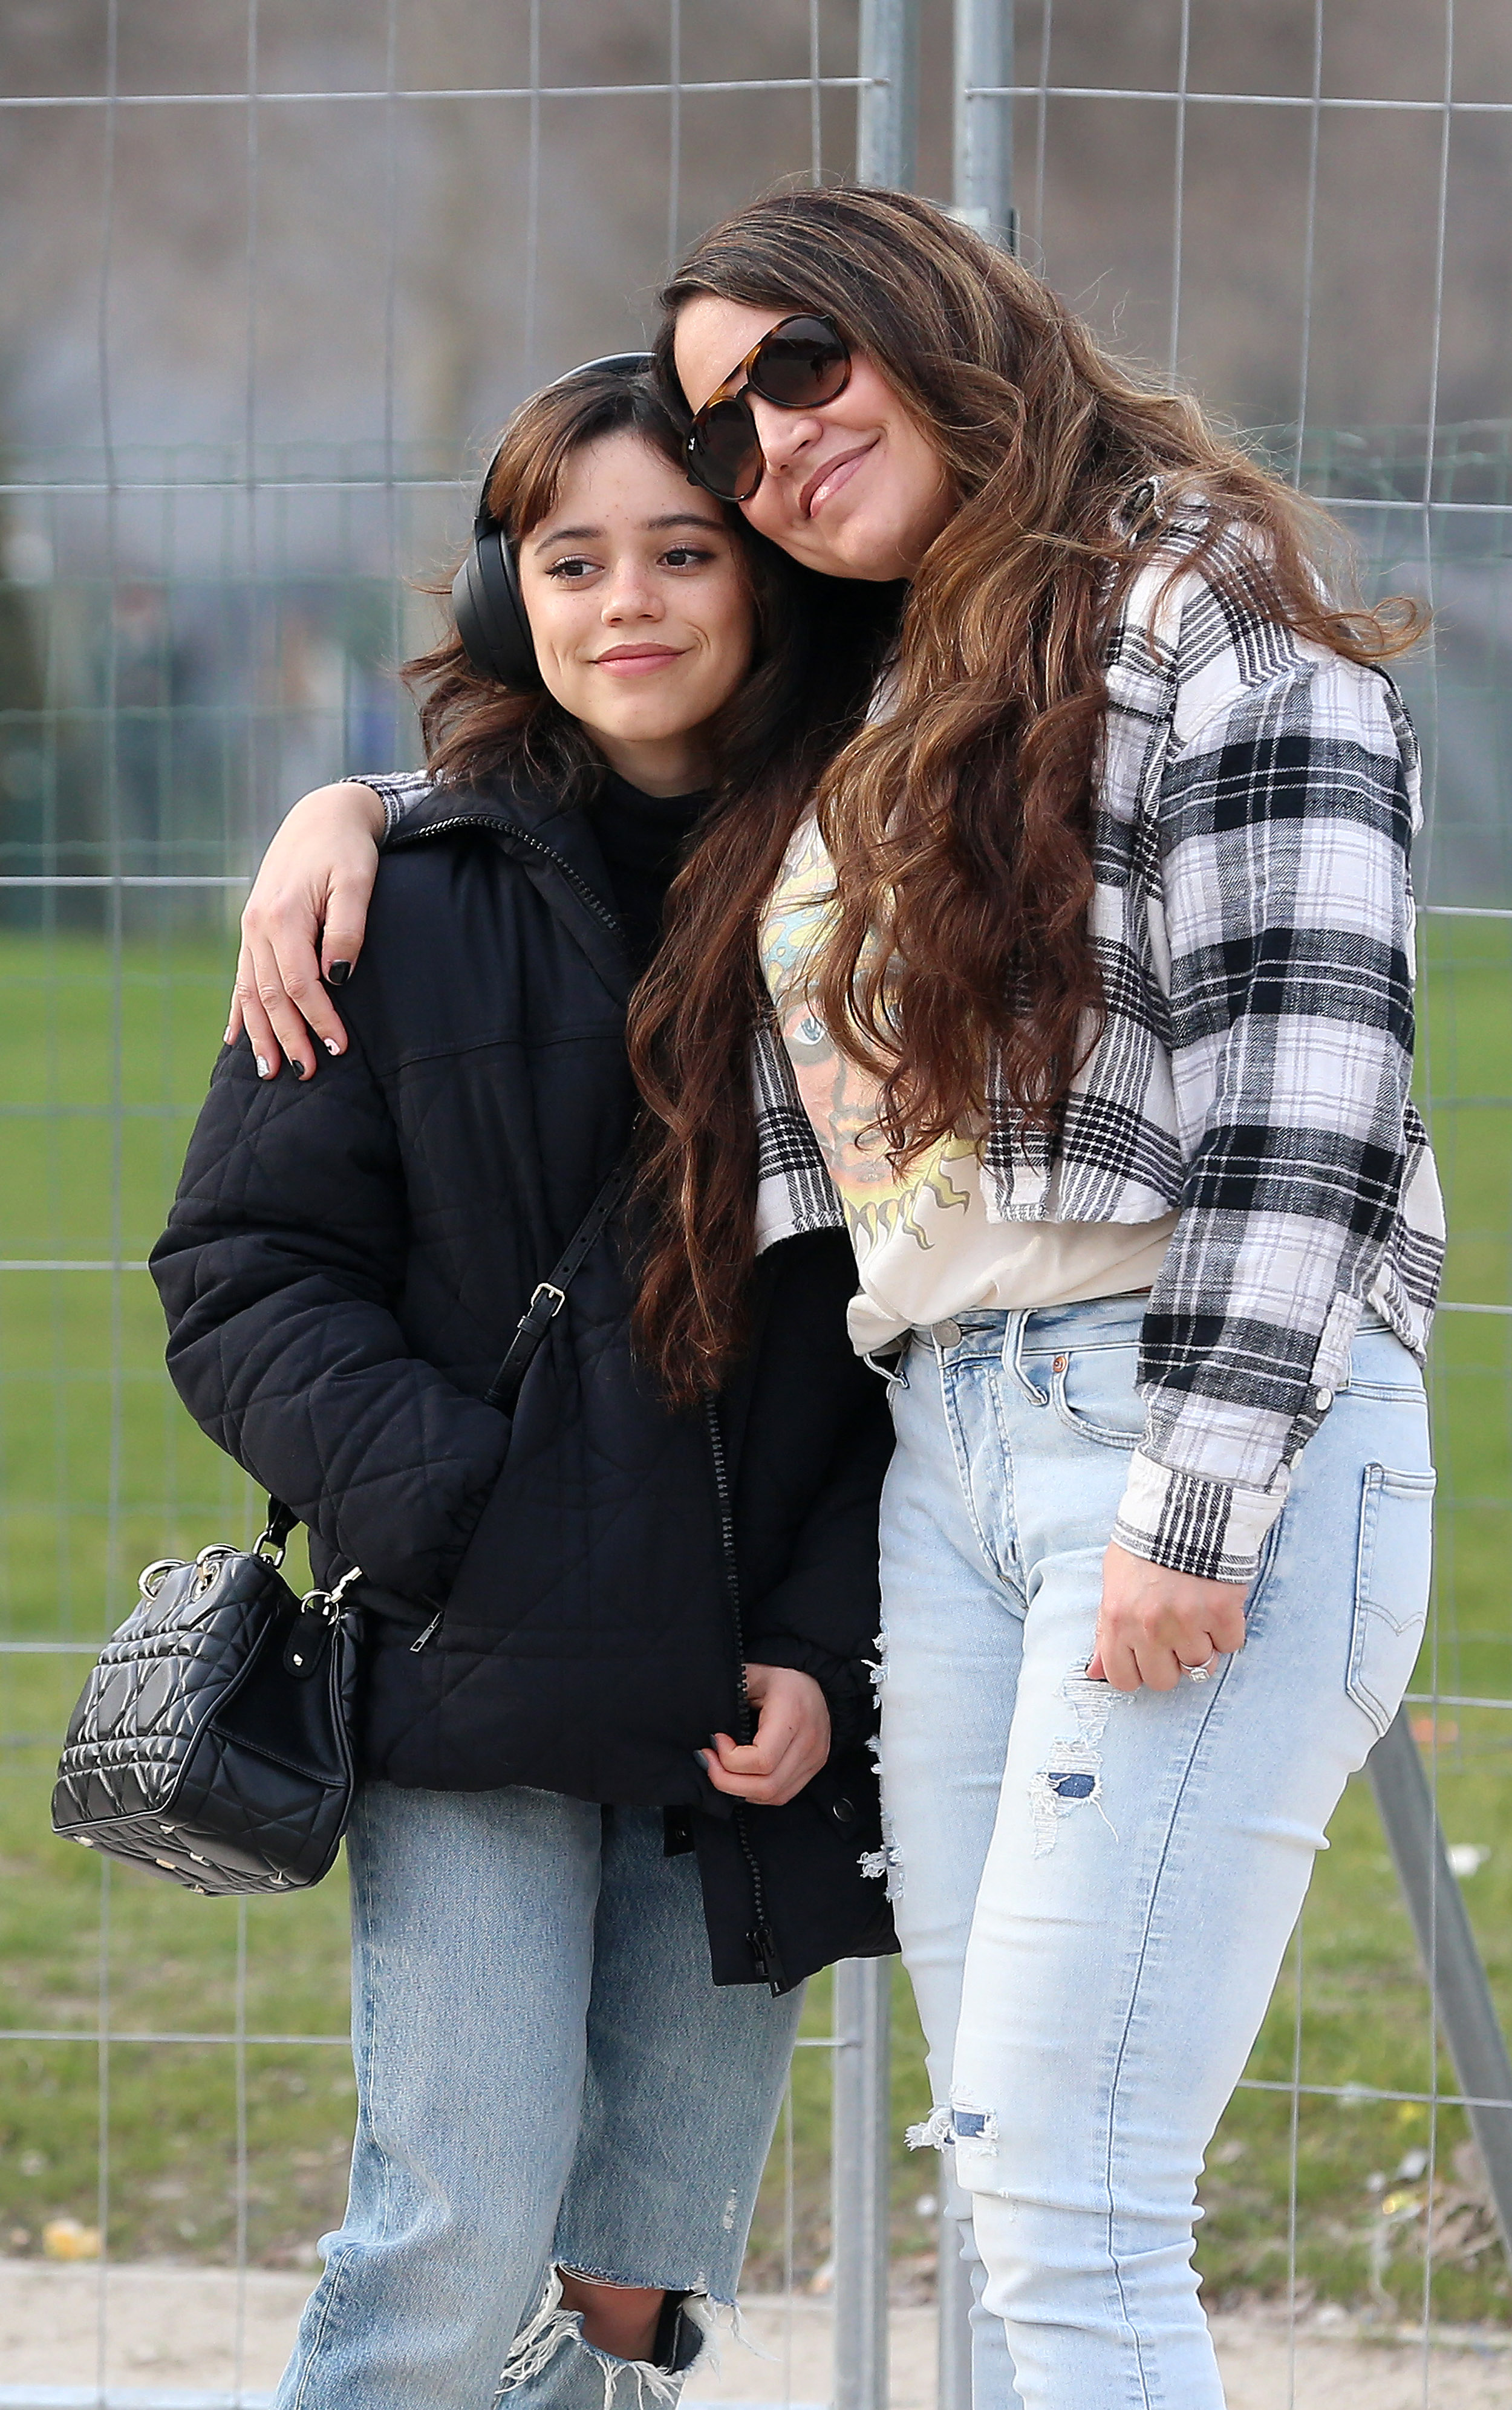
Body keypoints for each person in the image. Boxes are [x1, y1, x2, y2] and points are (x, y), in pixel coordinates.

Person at [234, 189, 1443, 2410]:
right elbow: (638, 784)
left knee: (1062, 2197)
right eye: (725, 425)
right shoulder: (919, 674)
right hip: (911, 1468)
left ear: (932, 323)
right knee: (991, 2177)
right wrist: (363, 804)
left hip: (1139, 1438)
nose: (767, 446)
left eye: (800, 371)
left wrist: (1196, 1494)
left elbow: (1311, 1081)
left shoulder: (1194, 610)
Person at [151, 360, 897, 2410]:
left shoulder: (875, 899)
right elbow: (240, 1272)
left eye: (683, 552)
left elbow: (913, 1330)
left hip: (751, 1704)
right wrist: (474, 1519)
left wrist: (828, 1649)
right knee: (449, 2230)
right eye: (572, 560)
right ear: (506, 599)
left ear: (766, 581)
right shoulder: (388, 900)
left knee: (635, 2277)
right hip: (476, 1671)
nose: (627, 601)